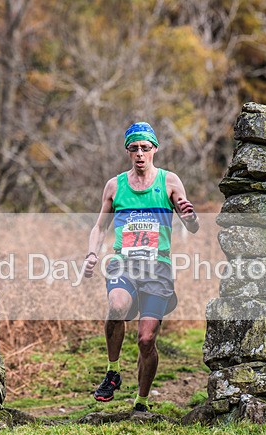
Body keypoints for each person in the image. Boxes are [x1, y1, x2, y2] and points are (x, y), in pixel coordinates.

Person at [84, 122, 199, 412]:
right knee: (117, 305)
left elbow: (192, 226)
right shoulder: (114, 186)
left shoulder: (170, 181)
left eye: (145, 148)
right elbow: (99, 226)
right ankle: (112, 372)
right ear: (127, 151)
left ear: (154, 150)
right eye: (134, 148)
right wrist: (91, 253)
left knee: (146, 339)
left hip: (158, 268)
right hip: (123, 262)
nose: (139, 154)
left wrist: (190, 215)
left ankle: (142, 402)